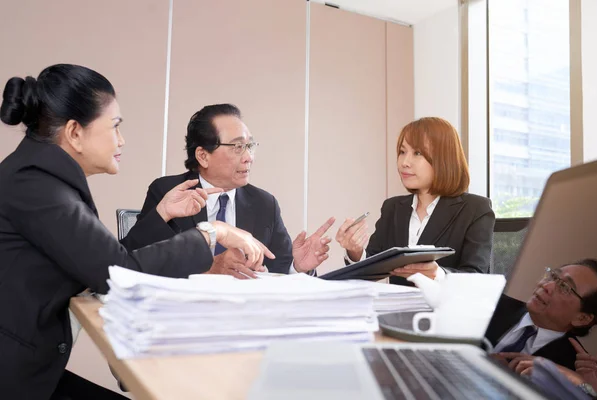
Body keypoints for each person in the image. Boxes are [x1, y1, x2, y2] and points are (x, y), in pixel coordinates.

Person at [0, 64, 273, 399]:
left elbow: (102, 262)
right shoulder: (40, 188)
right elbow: (119, 272)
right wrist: (212, 232)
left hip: (29, 367)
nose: (121, 140)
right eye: (115, 127)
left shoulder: (39, 179)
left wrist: (161, 215)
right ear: (74, 133)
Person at [132, 104, 334, 277]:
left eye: (250, 145)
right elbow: (137, 260)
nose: (248, 157)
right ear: (203, 156)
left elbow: (276, 270)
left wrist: (296, 266)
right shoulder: (170, 192)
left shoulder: (264, 204)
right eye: (237, 146)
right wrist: (208, 269)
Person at [336, 117, 495, 284]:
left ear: (444, 158)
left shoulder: (476, 209)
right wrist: (355, 250)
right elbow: (372, 266)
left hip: (444, 308)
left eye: (417, 153)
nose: (404, 162)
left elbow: (477, 277)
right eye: (402, 152)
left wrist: (438, 274)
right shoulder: (393, 208)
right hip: (397, 308)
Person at [488, 259, 597, 371]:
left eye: (565, 287)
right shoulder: (490, 302)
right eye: (553, 276)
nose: (547, 286)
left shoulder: (572, 369)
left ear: (582, 318)